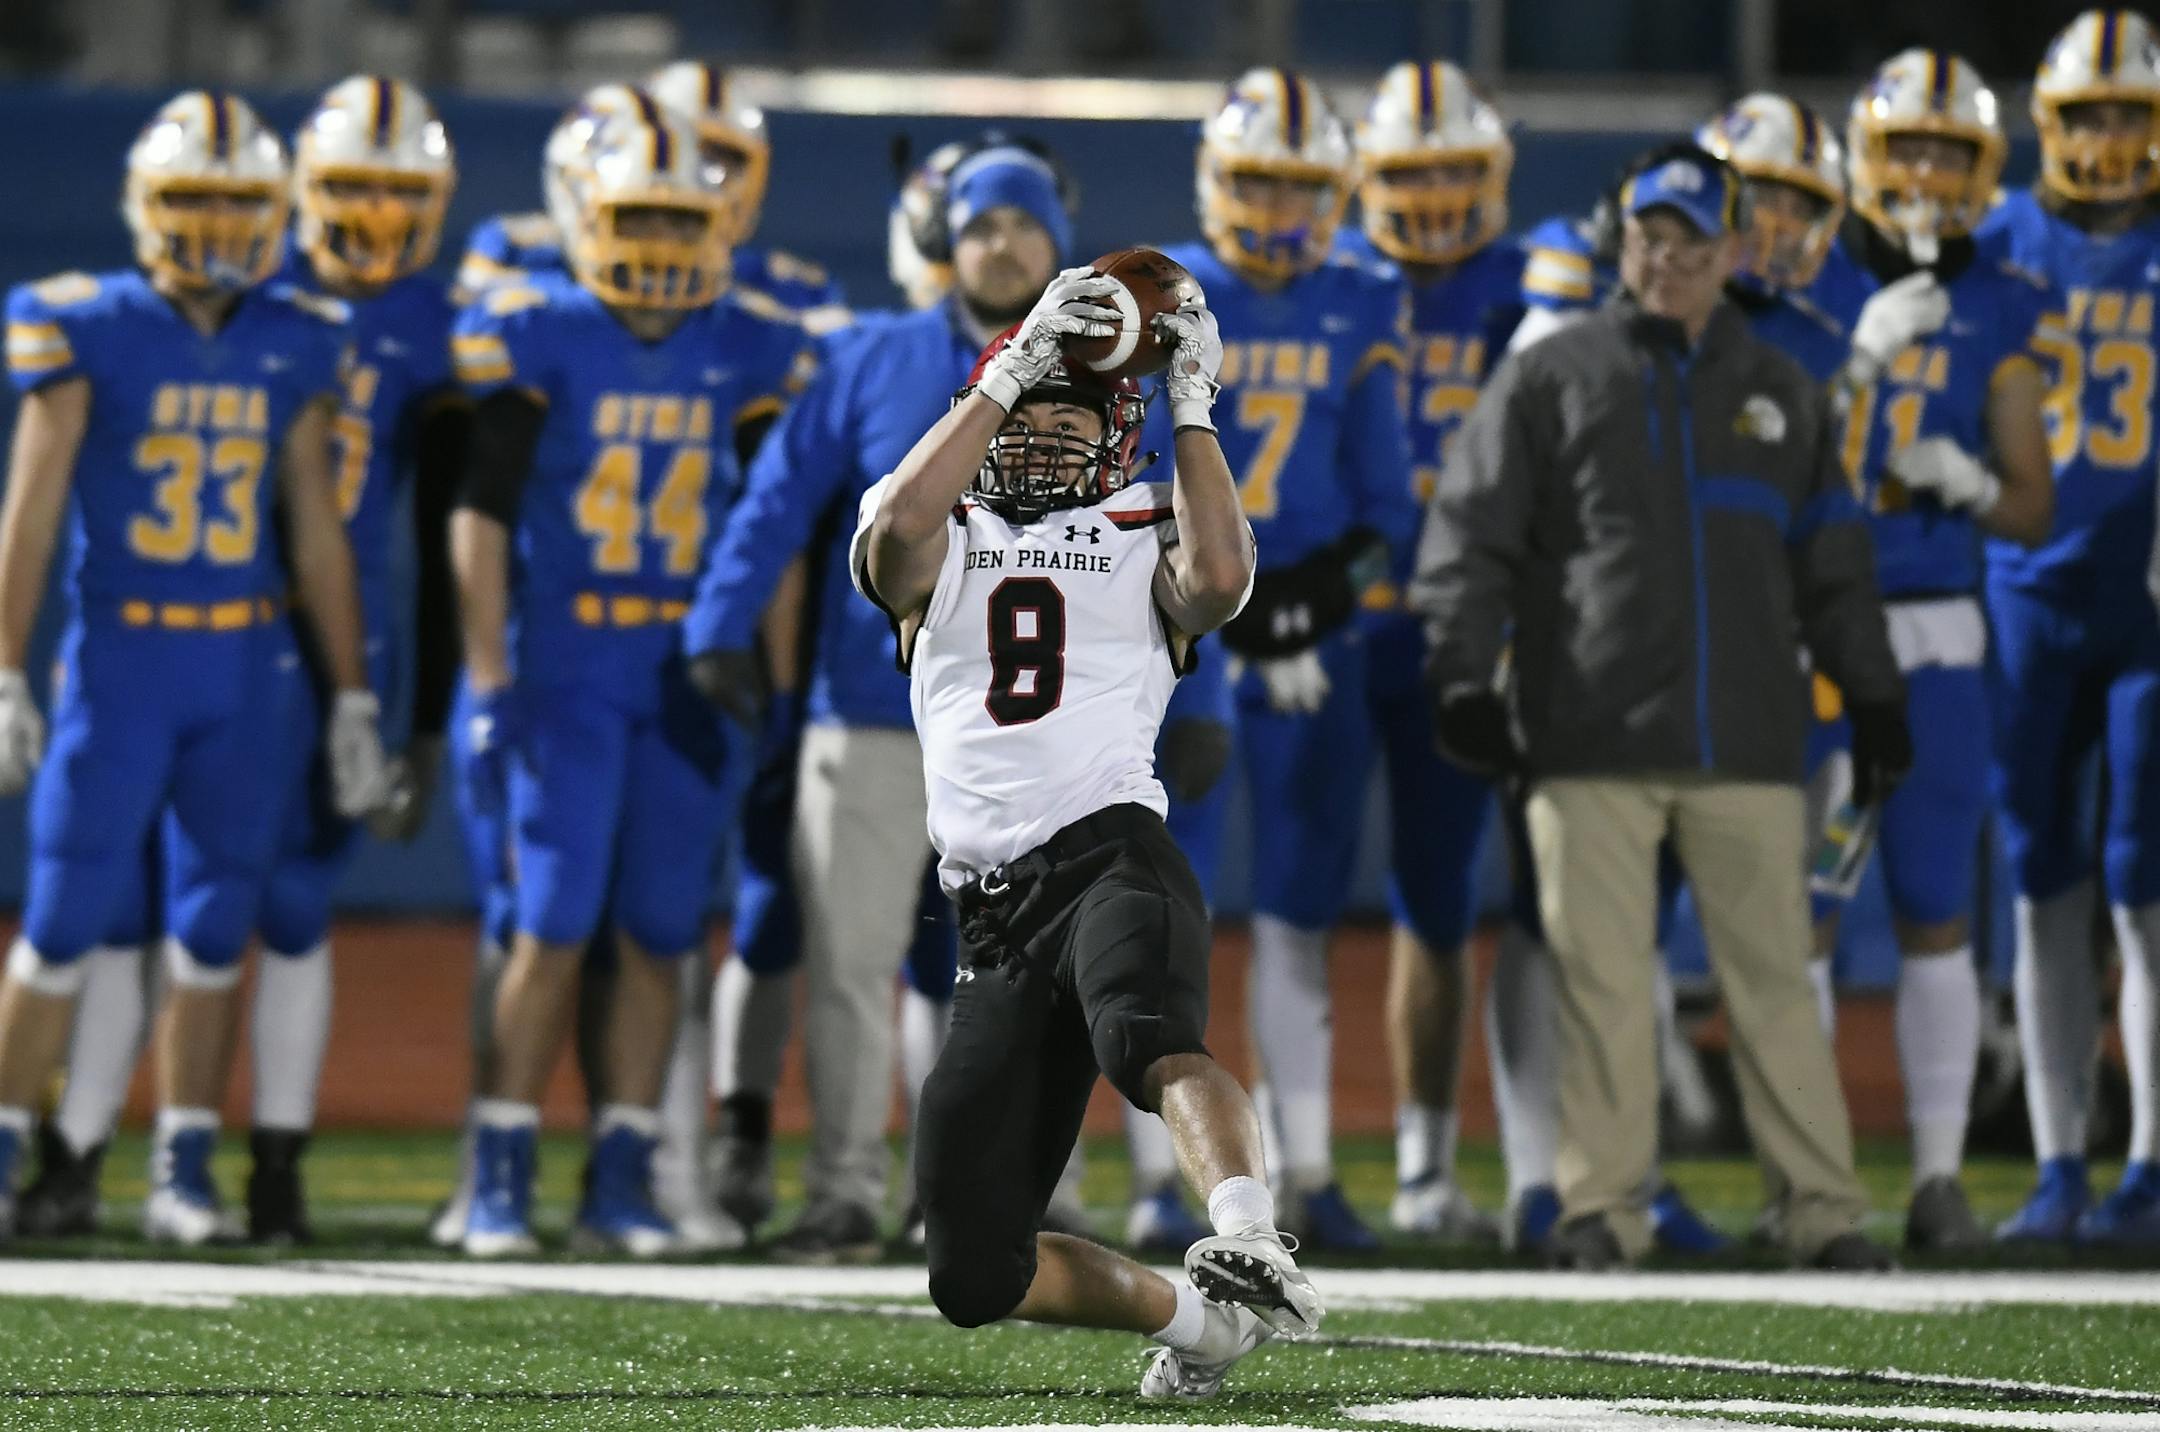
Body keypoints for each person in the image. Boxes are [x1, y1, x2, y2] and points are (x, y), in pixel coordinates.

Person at [1414, 144, 1905, 1271]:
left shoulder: (1783, 388)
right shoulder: (1551, 376)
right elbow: (1470, 541)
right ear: (1619, 247)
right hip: (1586, 735)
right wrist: (1458, 670)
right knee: (1602, 991)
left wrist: (1872, 687)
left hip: (1747, 739)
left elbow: (1834, 563)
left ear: (1735, 252)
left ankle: (1822, 1216)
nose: (1669, 262)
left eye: (1692, 245)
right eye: (1649, 242)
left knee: (1775, 985)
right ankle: (1600, 1213)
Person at [855, 256, 1315, 1398]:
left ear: (1121, 438)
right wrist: (1014, 367)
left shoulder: (1142, 521)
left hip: (1111, 848)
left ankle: (1252, 1233)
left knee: (1146, 1037)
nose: (1054, 436)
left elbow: (1219, 575)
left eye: (1080, 417)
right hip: (994, 917)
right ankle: (1204, 1324)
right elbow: (888, 539)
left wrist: (1193, 402)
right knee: (970, 1269)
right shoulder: (941, 533)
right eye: (1034, 416)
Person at [683, 141, 1094, 1261]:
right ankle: (843, 1192)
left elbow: (1165, 530)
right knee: (854, 966)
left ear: (1058, 235)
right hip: (871, 705)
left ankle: (1024, 1189)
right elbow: (775, 500)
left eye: (1021, 222)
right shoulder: (874, 355)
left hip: (1030, 721)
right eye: (979, 226)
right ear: (942, 244)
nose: (1000, 244)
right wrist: (719, 622)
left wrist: (1205, 694)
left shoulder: (1108, 368)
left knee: (1032, 974)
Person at [0, 90, 385, 1242]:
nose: (216, 226)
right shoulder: (82, 321)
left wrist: (353, 690)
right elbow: (31, 507)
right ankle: (12, 1147)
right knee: (64, 919)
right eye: (194, 200)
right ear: (144, 208)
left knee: (215, 928)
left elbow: (316, 526)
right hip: (121, 659)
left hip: (245, 668)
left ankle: (183, 1169)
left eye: (237, 203)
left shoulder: (299, 328)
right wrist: (6, 668)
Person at [448, 95, 811, 1256]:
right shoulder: (535, 324)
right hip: (565, 666)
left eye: (675, 223)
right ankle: (498, 1169)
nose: (656, 249)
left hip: (684, 676)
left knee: (660, 927)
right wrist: (493, 675)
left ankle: (619, 1172)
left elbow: (777, 530)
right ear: (584, 219)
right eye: (634, 221)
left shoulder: (752, 340)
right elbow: (481, 518)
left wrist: (783, 681)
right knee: (551, 922)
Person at [1148, 67, 1418, 1251]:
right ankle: (1168, 1177)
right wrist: (1235, 613)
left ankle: (1302, 1167)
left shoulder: (1362, 303)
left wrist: (1305, 605)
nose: (1273, 209)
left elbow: (1385, 510)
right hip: (1179, 637)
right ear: (1215, 183)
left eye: (1297, 187)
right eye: (1254, 182)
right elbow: (1125, 481)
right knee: (1166, 916)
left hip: (1313, 639)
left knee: (1304, 915)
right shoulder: (1159, 296)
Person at [1825, 48, 2058, 1249]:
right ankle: (1806, 1181)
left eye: (1946, 151)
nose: (1921, 172)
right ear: (1865, 161)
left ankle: (1935, 1175)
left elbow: (2032, 503)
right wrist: (1854, 356)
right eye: (1904, 148)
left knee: (1933, 905)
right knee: (1805, 908)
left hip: (1938, 639)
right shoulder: (1814, 278)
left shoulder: (2002, 300)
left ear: (1984, 168)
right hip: (1822, 636)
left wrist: (1966, 480)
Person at [1980, 9, 2160, 1247]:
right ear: (2046, 124)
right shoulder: (1997, 241)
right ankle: (2057, 1163)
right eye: (2085, 114)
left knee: (2146, 879)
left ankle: (2147, 1161)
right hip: (2019, 585)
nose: (2104, 139)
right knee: (2040, 871)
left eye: (2127, 114)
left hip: (2147, 590)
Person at [1336, 59, 1520, 1243]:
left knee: (1441, 902)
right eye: (1413, 173)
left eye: (1458, 169)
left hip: (1459, 631)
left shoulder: (1531, 286)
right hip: (1336, 625)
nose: (1439, 195)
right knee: (1288, 899)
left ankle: (1421, 1163)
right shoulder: (1330, 279)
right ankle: (1265, 1163)